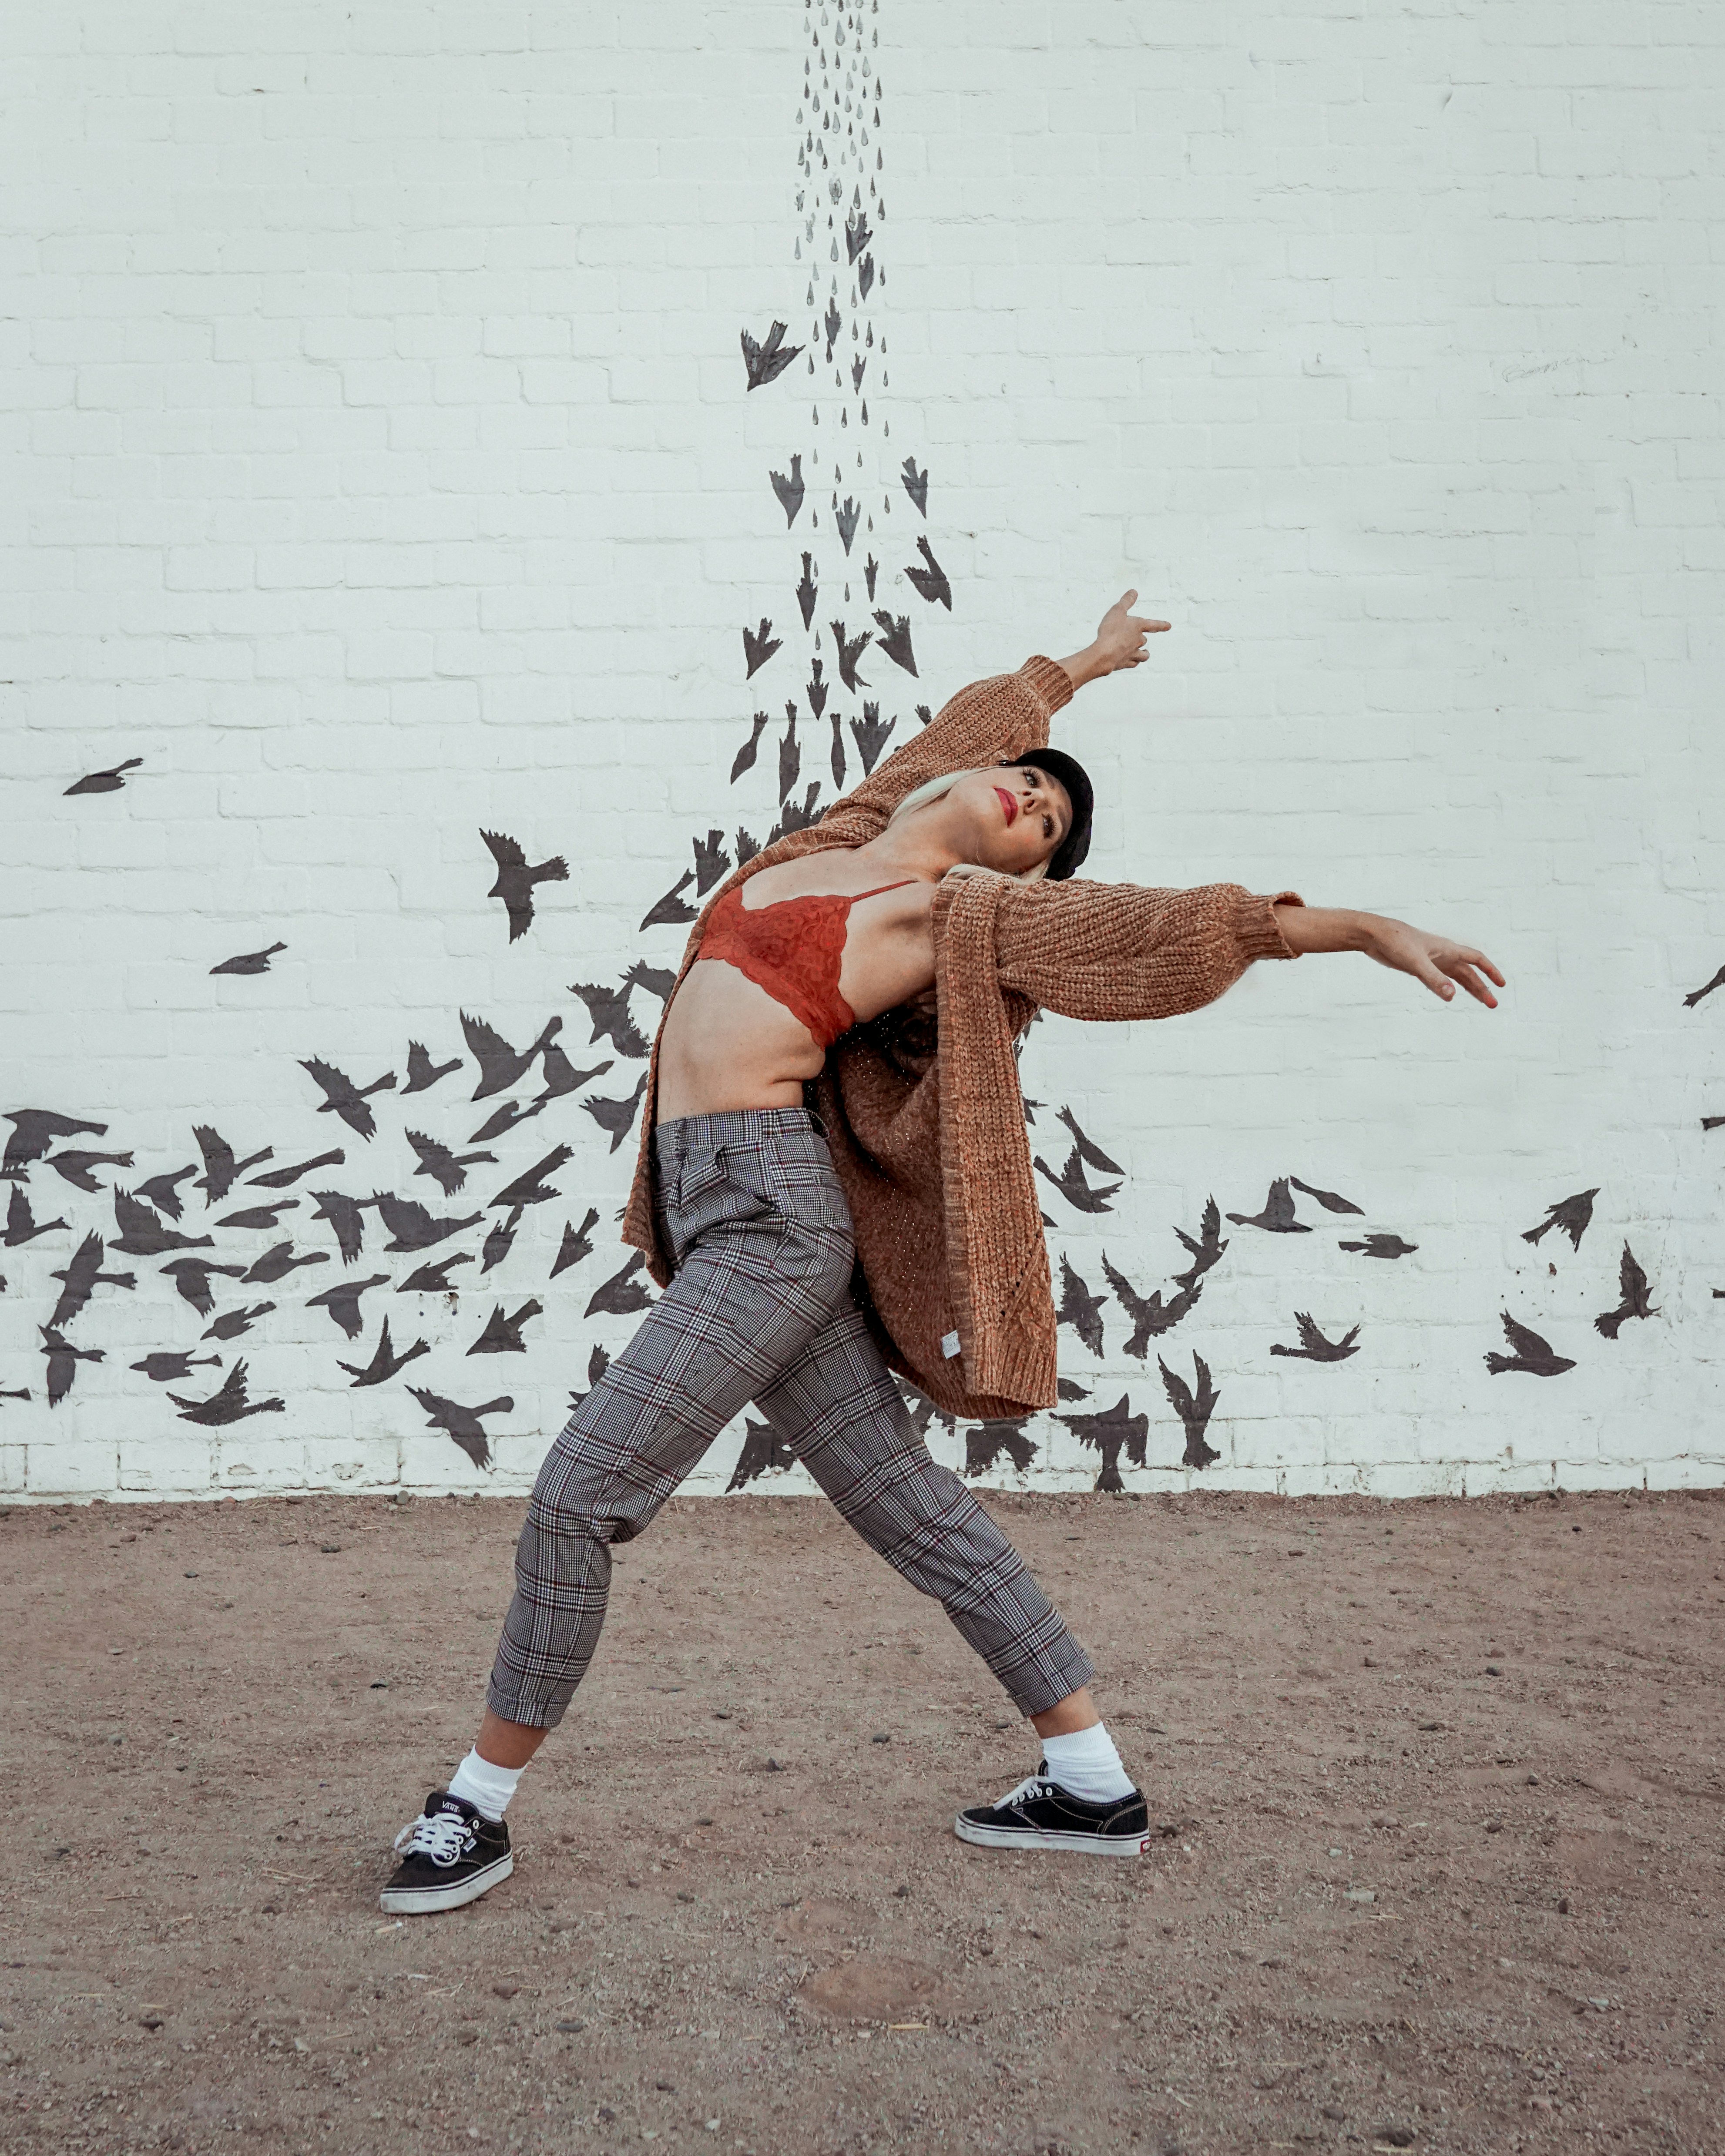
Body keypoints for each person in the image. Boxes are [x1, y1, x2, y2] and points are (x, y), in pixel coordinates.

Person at [380, 590, 1503, 1913]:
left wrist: (1354, 927)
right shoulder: (846, 831)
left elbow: (1148, 933)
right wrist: (1079, 666)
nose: (1037, 801)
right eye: (1030, 783)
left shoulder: (954, 914)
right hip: (715, 1204)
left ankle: (476, 1803)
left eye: (1055, 826)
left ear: (1026, 874)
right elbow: (969, 725)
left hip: (770, 1219)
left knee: (579, 1494)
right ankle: (1088, 1777)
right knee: (908, 1505)